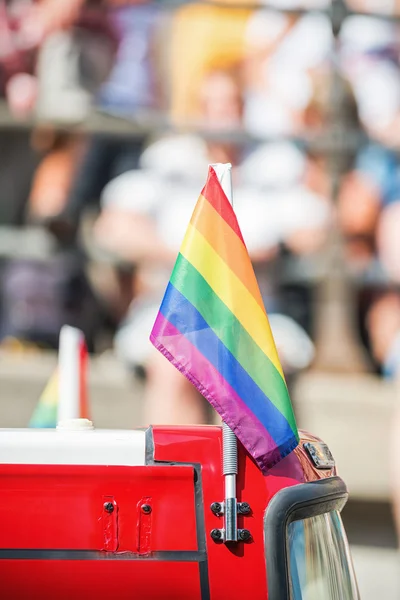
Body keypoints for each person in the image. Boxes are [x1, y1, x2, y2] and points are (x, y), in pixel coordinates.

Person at [92, 68, 325, 425]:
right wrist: (200, 258)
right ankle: (178, 478)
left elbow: (313, 230)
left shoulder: (274, 163)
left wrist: (264, 249)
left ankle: (263, 481)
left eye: (229, 104)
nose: (221, 114)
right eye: (212, 105)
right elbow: (113, 227)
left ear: (244, 108)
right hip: (177, 310)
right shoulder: (168, 160)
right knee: (174, 363)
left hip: (253, 314)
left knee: (257, 368)